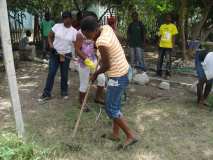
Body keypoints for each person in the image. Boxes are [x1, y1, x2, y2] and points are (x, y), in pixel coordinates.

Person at [80, 16, 137, 148]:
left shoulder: (102, 42)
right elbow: (108, 51)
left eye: (86, 34)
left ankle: (130, 135)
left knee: (110, 108)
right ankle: (115, 135)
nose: (87, 38)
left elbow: (107, 66)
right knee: (115, 106)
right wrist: (101, 52)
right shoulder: (106, 28)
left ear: (92, 30)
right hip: (124, 71)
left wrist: (95, 74)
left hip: (118, 76)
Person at [38, 11, 77, 102]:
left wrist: (75, 57)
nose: (65, 21)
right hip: (55, 54)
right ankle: (46, 94)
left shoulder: (74, 32)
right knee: (51, 72)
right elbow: (49, 36)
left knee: (64, 74)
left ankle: (64, 92)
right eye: (64, 19)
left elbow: (75, 46)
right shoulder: (57, 26)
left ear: (71, 19)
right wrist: (51, 46)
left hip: (66, 55)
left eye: (67, 19)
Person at [75, 13, 106, 112]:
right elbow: (77, 50)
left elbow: (96, 45)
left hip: (93, 60)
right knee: (84, 83)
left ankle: (98, 98)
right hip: (84, 62)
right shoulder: (80, 34)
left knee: (101, 78)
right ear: (86, 31)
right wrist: (86, 60)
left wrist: (98, 53)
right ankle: (81, 103)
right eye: (93, 31)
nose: (95, 33)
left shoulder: (94, 31)